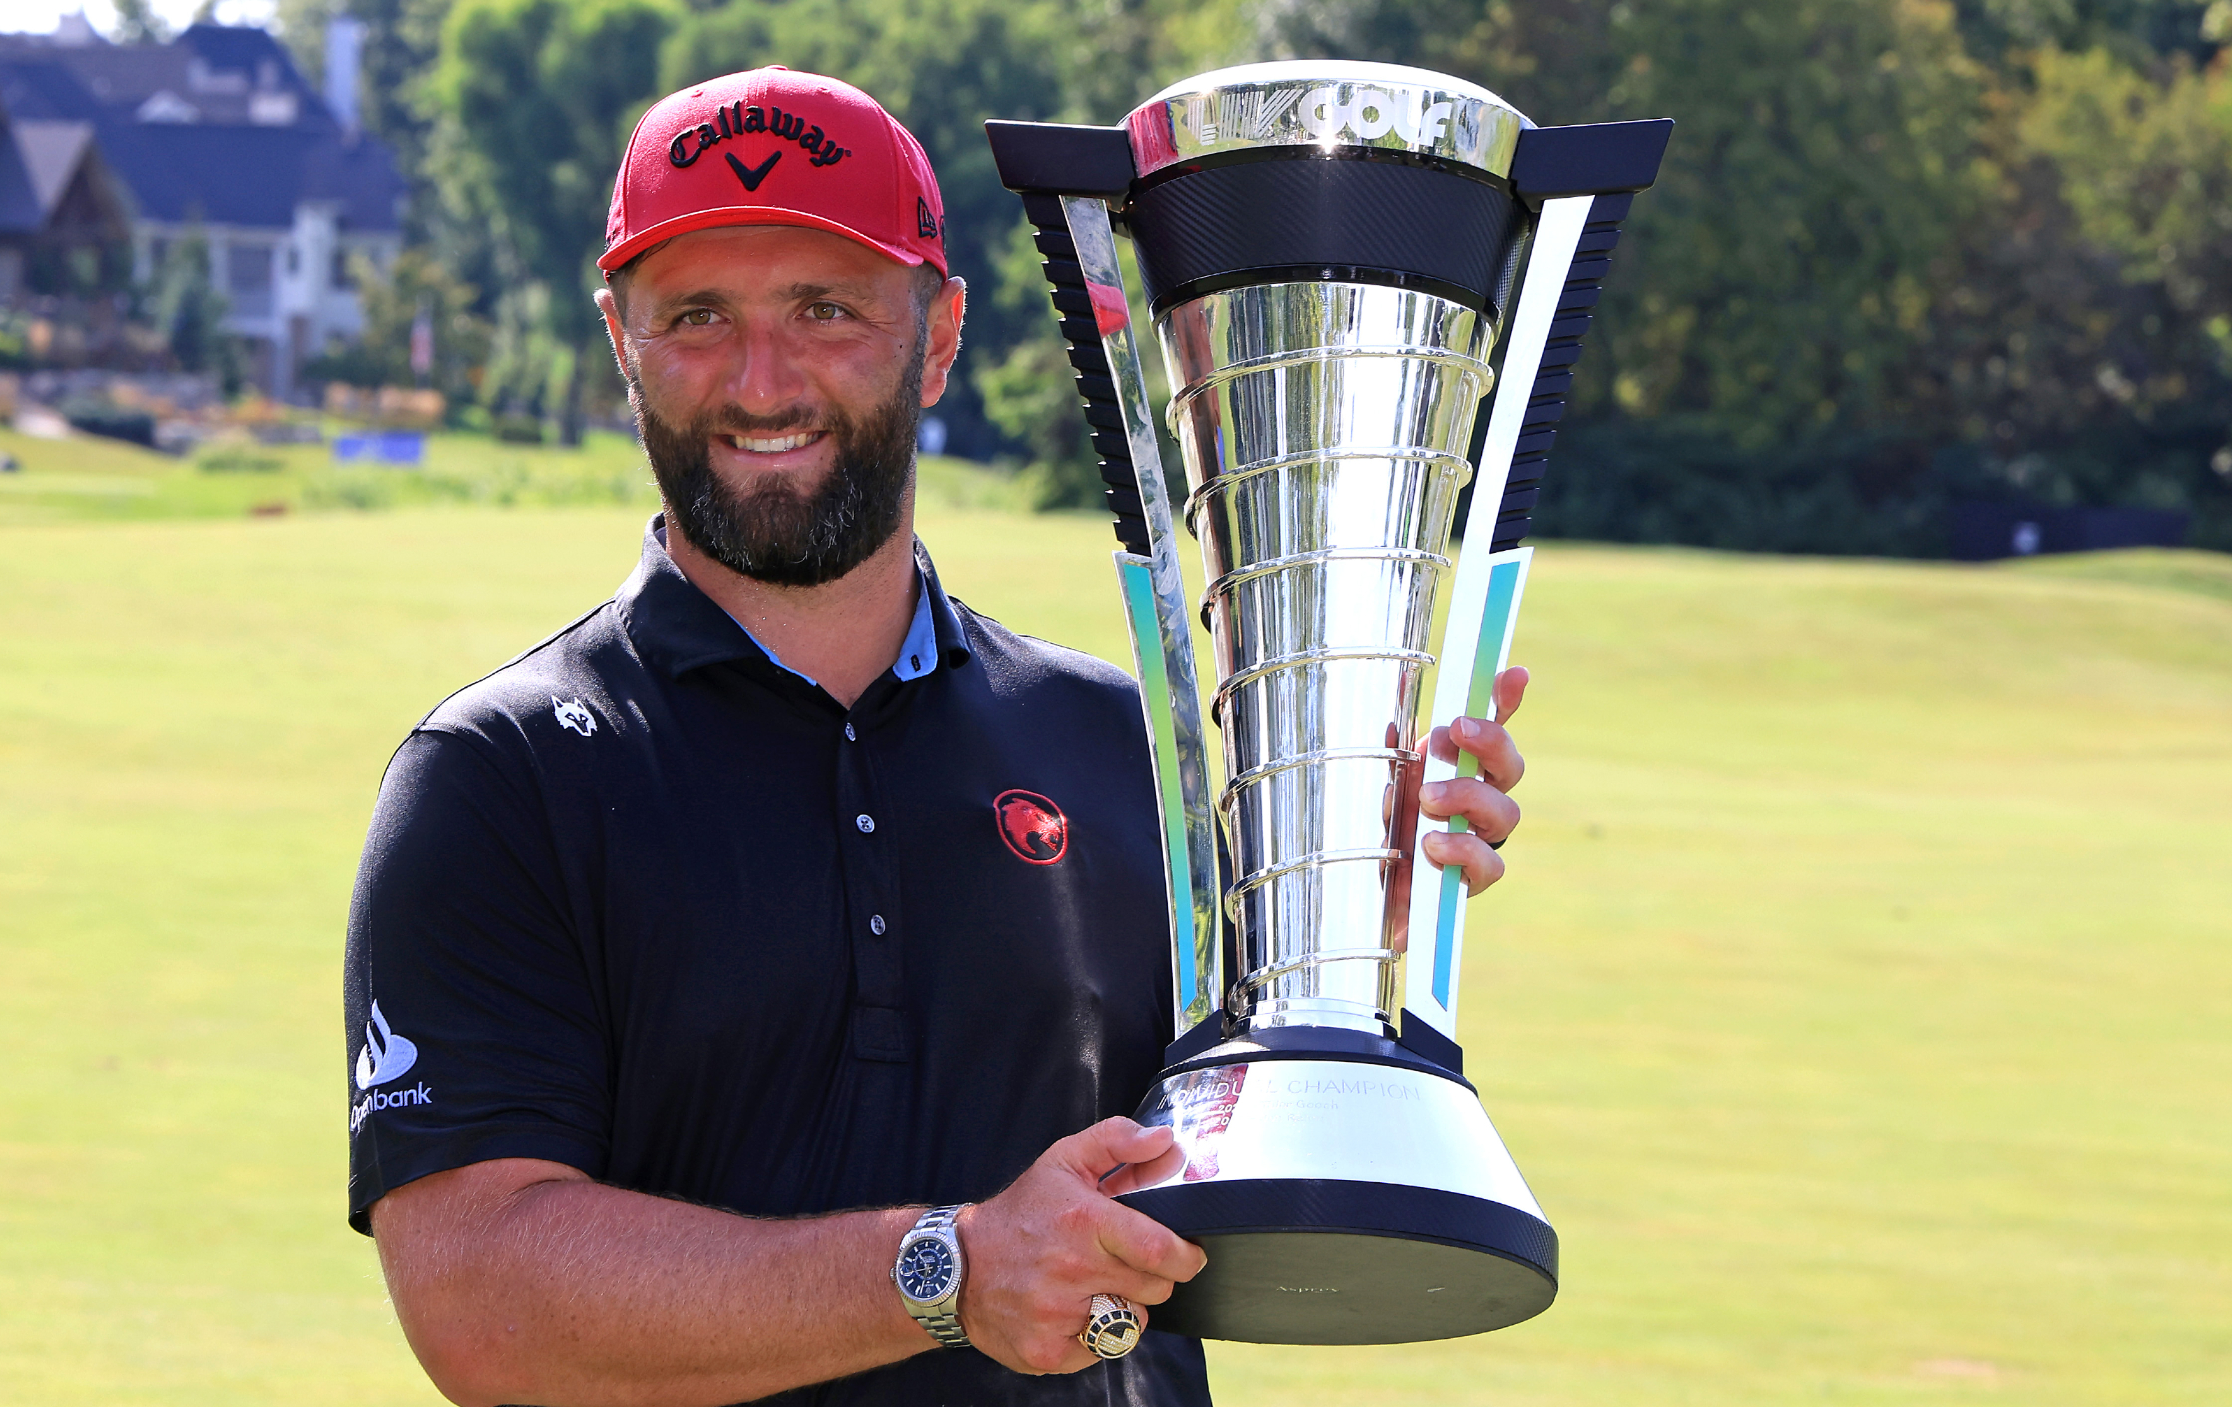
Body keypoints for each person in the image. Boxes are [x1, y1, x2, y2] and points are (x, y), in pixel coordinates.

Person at [343, 66, 1531, 1407]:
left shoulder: (1129, 749)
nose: (761, 381)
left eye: (826, 309)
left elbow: (1242, 1178)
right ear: (623, 339)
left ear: (942, 331)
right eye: (697, 316)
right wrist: (949, 1271)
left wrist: (1344, 882)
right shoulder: (502, 778)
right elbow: (480, 1302)